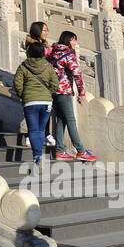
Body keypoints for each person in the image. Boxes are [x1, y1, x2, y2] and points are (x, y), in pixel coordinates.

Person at [47, 31, 96, 161]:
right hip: (64, 91)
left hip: (53, 90)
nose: (75, 43)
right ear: (68, 40)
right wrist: (81, 93)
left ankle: (59, 151)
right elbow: (77, 74)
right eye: (74, 40)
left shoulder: (53, 52)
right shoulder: (68, 54)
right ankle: (80, 151)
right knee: (71, 120)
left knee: (61, 120)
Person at [13, 42, 58, 166]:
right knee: (41, 130)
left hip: (30, 102)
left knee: (33, 130)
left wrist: (23, 94)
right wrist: (47, 93)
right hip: (46, 102)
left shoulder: (23, 67)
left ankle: (38, 156)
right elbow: (55, 84)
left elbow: (17, 84)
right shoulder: (48, 66)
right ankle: (39, 155)